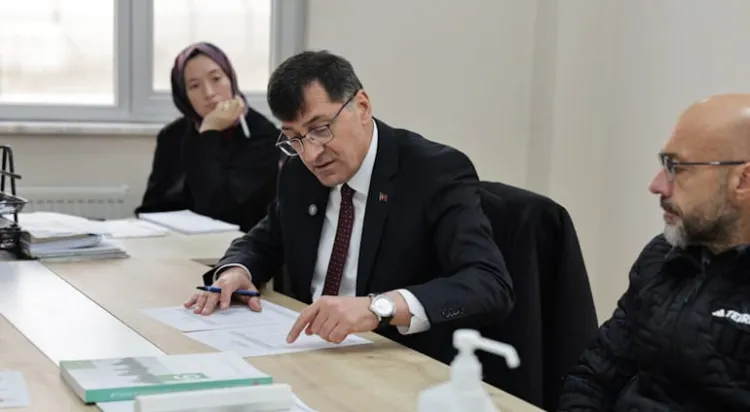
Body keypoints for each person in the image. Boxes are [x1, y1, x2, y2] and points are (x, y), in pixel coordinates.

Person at [184, 50, 515, 365]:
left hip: (394, 359)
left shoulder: (432, 172)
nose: (311, 154)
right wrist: (236, 271)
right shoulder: (299, 172)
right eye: (294, 138)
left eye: (320, 129)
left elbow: (488, 284)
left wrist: (378, 308)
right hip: (306, 351)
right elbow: (264, 240)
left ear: (362, 106)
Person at [558, 93, 750, 411]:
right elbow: (595, 378)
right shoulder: (664, 256)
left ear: (742, 180)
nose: (657, 185)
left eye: (677, 167)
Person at [135, 42, 280, 232]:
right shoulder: (172, 135)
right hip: (175, 241)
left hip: (238, 242)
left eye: (216, 79)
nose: (209, 93)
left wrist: (209, 132)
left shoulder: (262, 134)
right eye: (194, 86)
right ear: (183, 95)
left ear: (231, 79)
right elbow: (151, 208)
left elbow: (220, 207)